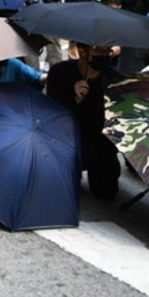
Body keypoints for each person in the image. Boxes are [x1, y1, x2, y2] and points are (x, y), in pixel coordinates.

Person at [46, 42, 122, 200]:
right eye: (98, 50)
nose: (103, 55)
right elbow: (51, 114)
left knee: (106, 193)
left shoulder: (114, 80)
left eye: (106, 51)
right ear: (82, 51)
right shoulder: (60, 72)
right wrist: (74, 100)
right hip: (66, 139)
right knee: (59, 189)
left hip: (100, 143)